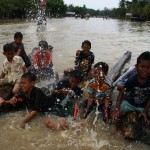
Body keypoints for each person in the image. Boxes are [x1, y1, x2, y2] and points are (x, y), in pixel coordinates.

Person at [111, 51, 150, 123]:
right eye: (142, 66)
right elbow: (121, 94)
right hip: (130, 104)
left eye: (148, 67)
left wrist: (145, 111)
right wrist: (117, 109)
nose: (145, 70)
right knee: (115, 114)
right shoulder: (131, 80)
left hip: (143, 106)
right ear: (136, 67)